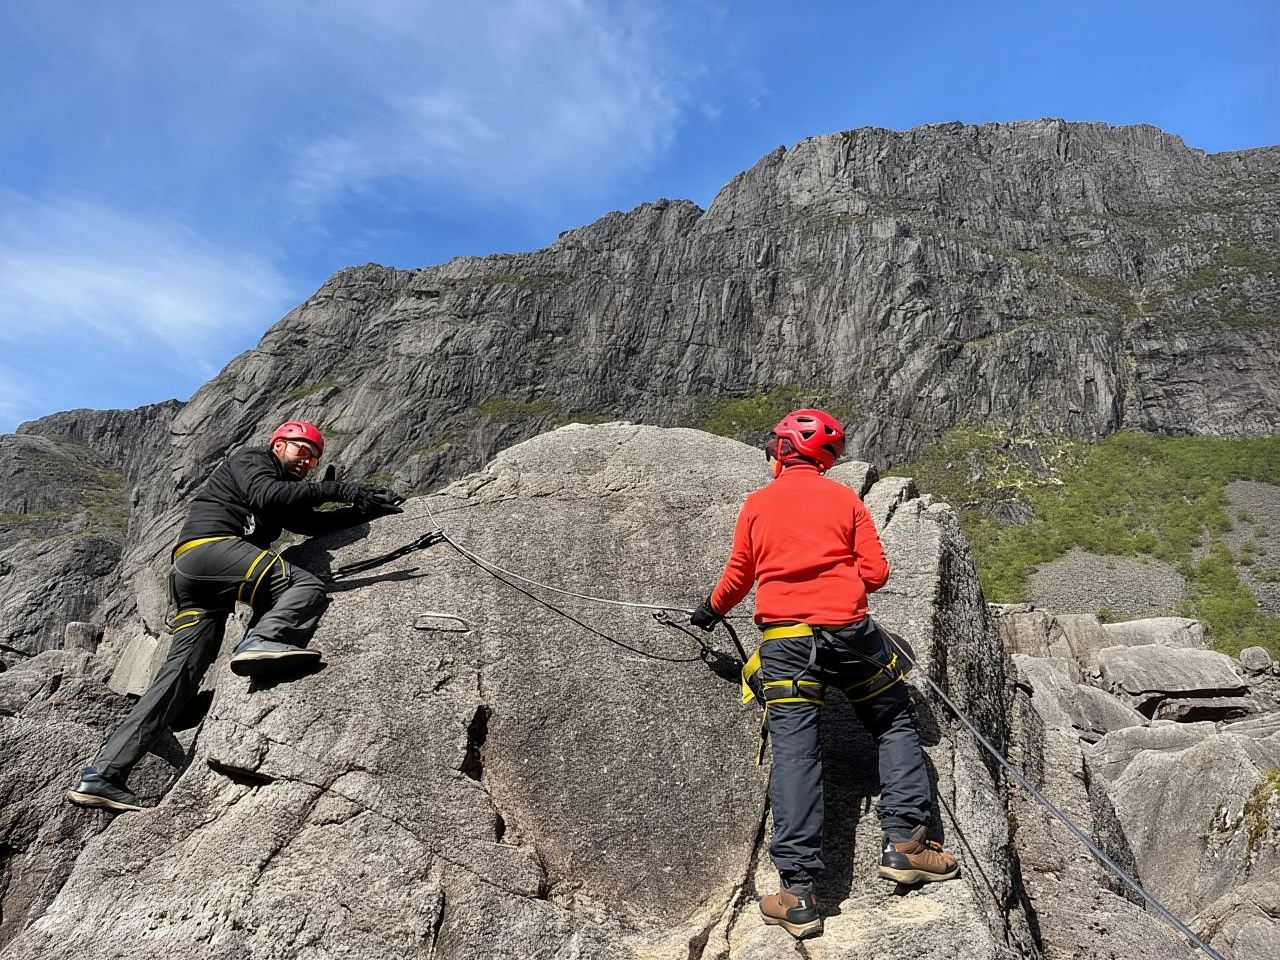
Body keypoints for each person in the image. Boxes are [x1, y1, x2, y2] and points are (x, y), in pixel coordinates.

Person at [690, 408, 958, 940]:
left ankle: (798, 894)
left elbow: (739, 575)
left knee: (796, 752)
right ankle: (907, 843)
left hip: (788, 645)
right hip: (851, 635)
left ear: (783, 452)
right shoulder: (845, 499)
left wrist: (710, 612)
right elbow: (877, 575)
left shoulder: (758, 504)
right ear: (825, 458)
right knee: (894, 719)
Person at [67, 420, 403, 812]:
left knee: (178, 679)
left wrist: (363, 510)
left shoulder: (278, 489)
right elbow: (271, 494)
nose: (307, 462)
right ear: (278, 445)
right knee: (305, 586)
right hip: (212, 550)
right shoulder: (253, 460)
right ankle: (264, 639)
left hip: (198, 582)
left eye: (313, 459)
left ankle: (103, 776)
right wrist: (342, 488)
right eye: (301, 450)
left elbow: (308, 521)